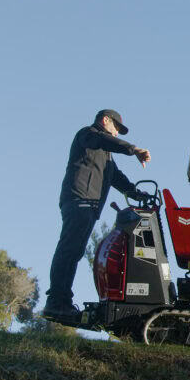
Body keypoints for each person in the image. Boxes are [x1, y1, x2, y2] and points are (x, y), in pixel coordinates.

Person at [43, 109, 151, 322]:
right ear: (105, 120)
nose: (117, 134)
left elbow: (115, 176)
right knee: (69, 250)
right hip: (79, 200)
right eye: (116, 128)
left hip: (88, 205)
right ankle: (56, 303)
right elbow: (105, 140)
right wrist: (133, 149)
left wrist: (135, 193)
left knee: (74, 251)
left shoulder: (105, 152)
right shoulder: (89, 135)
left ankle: (61, 301)